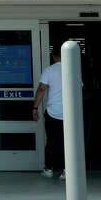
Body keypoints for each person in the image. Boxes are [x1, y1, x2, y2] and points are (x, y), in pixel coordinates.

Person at [32, 48, 65, 180]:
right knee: (67, 143)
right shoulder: (74, 69)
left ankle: (49, 169)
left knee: (51, 141)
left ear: (53, 56)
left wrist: (35, 108)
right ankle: (66, 170)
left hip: (53, 112)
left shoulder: (49, 70)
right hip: (69, 113)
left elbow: (41, 89)